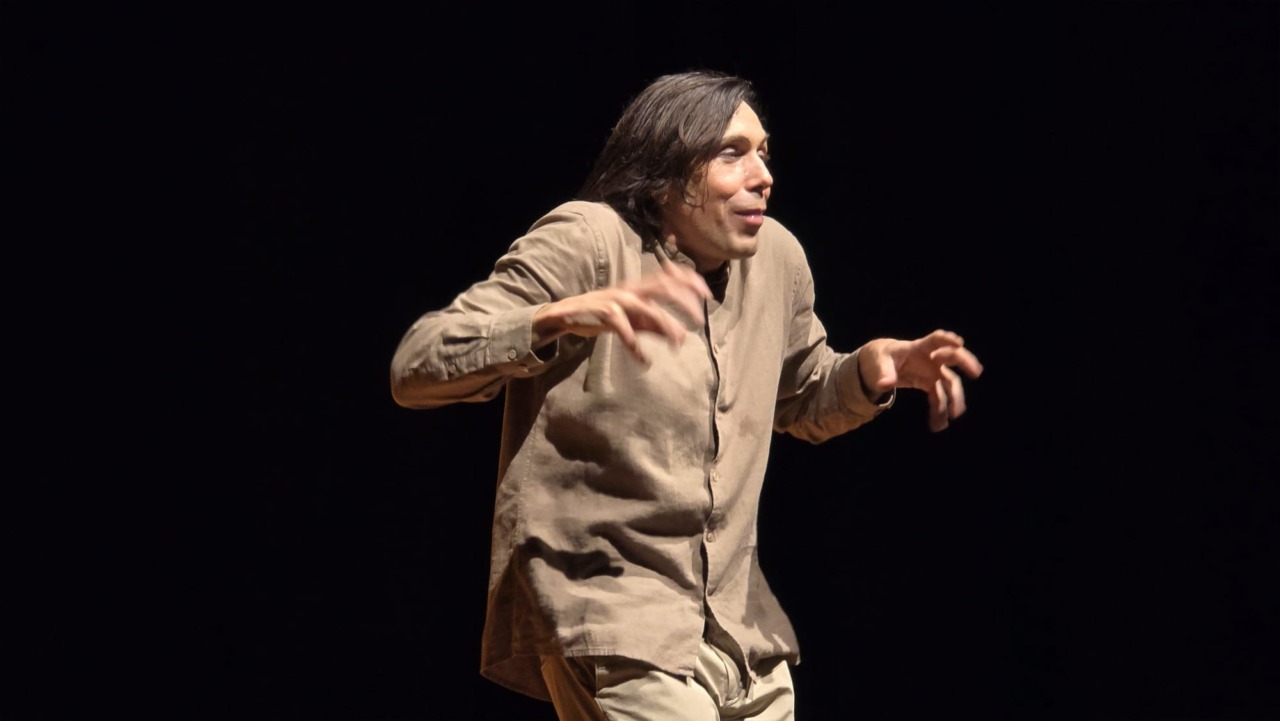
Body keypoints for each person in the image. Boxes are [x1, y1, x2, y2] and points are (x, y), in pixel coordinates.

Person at [390, 69, 984, 720]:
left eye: (764, 153)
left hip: (741, 632)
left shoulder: (778, 258)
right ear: (666, 172)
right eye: (732, 153)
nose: (763, 174)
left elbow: (802, 396)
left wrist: (868, 372)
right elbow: (419, 363)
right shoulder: (590, 239)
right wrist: (557, 316)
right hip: (614, 608)